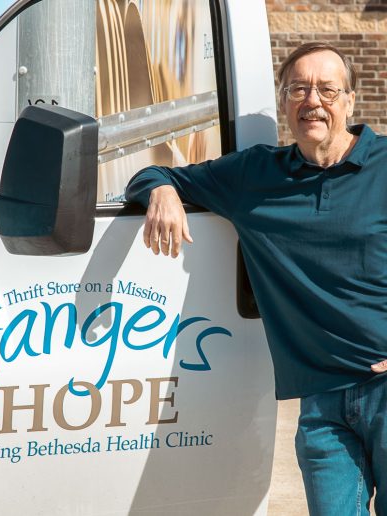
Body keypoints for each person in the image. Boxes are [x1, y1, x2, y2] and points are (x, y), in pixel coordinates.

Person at [126, 42, 387, 515]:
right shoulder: (255, 176)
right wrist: (162, 189)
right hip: (321, 403)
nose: (313, 101)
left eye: (328, 89)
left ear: (350, 101)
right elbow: (152, 174)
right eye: (298, 89)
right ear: (284, 102)